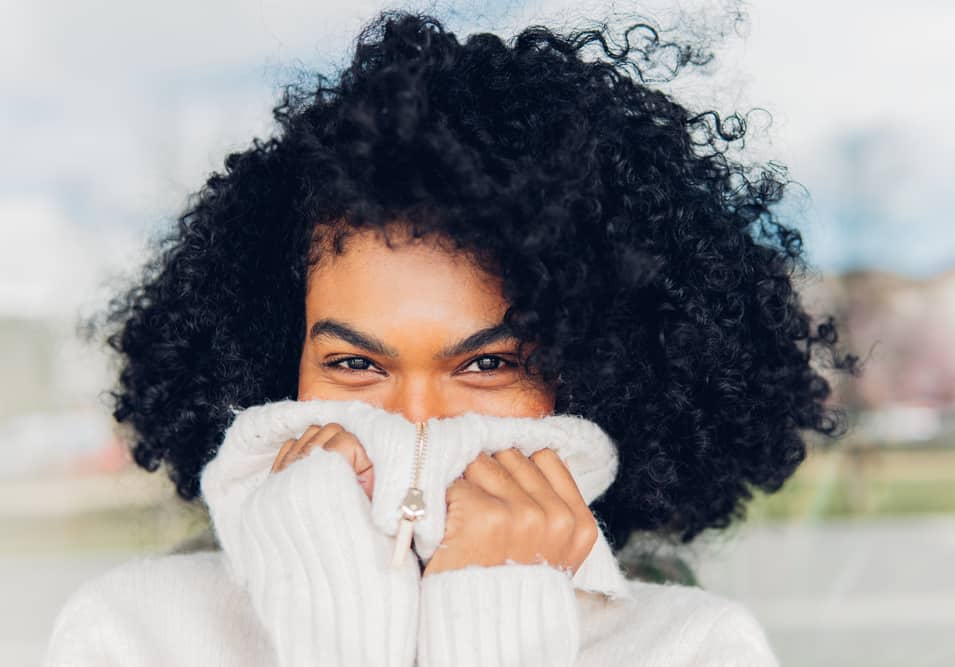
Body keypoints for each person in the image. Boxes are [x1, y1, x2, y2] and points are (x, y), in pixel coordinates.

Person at [43, 8, 858, 666]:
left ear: (595, 378)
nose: (418, 421)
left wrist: (496, 615)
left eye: (489, 362)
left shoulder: (692, 648)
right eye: (356, 362)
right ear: (274, 368)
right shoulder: (132, 634)